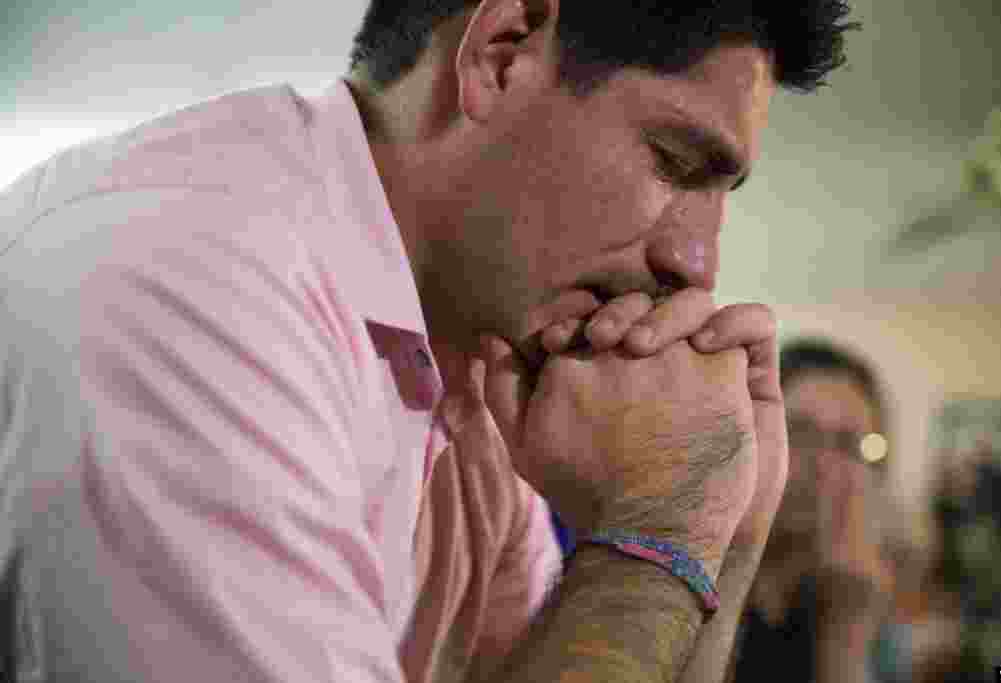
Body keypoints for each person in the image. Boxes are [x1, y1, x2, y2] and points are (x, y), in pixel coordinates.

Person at [0, 1, 858, 681]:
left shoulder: (467, 358)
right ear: (501, 51)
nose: (697, 262)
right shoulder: (194, 286)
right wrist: (659, 531)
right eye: (674, 162)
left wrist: (726, 531)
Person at [732, 338, 908, 683]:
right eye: (799, 431)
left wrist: (846, 632)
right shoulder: (699, 577)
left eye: (847, 443)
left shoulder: (866, 596)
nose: (824, 466)